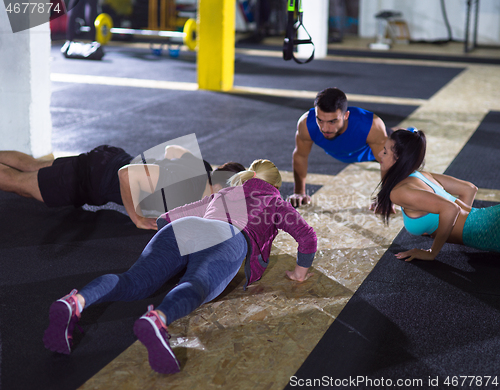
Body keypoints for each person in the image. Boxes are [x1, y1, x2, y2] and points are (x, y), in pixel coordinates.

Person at [43, 159, 317, 374]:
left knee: (133, 281)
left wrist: (174, 255)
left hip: (181, 228)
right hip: (228, 237)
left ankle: (75, 301)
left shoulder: (222, 194)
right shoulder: (275, 201)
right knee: (194, 285)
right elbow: (307, 236)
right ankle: (158, 319)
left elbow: (166, 219)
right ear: (275, 186)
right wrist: (299, 272)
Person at [0, 145, 243, 230]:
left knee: (32, 165)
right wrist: (136, 217)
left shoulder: (202, 168)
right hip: (95, 178)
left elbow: (173, 151)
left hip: (107, 159)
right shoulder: (186, 184)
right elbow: (126, 175)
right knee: (18, 184)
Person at [376, 128, 499, 261]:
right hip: (487, 218)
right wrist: (451, 228)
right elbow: (469, 189)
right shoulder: (421, 175)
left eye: (385, 151)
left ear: (398, 158)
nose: (379, 154)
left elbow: (451, 209)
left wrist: (432, 252)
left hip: (488, 231)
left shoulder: (398, 192)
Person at [290, 87, 388, 207]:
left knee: (407, 152)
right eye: (320, 120)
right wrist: (299, 192)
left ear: (346, 115)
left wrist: (385, 197)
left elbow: (387, 161)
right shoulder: (306, 124)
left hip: (369, 152)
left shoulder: (371, 126)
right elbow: (300, 156)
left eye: (332, 122)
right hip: (344, 152)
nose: (324, 128)